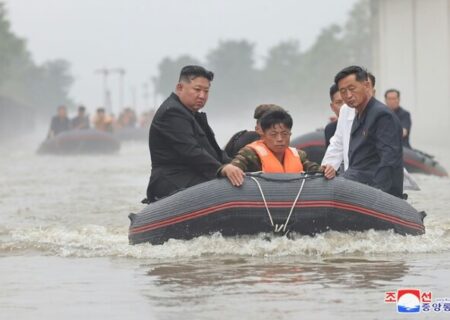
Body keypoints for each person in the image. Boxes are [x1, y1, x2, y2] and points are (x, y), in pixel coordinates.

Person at [145, 65, 229, 203]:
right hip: (171, 180)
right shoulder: (171, 112)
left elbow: (214, 152)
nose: (202, 95)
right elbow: (191, 151)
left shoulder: (193, 115)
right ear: (180, 88)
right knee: (224, 190)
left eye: (206, 91)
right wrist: (221, 169)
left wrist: (237, 166)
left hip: (192, 176)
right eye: (197, 90)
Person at [333, 66, 403, 197]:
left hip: (374, 193)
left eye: (352, 89)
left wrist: (378, 194)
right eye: (343, 91)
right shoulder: (358, 115)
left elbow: (389, 160)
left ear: (366, 85)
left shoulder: (382, 116)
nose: (348, 95)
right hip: (355, 183)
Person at [220, 110, 336, 186]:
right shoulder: (249, 153)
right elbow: (235, 168)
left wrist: (326, 169)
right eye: (273, 134)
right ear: (263, 135)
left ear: (290, 134)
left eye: (285, 134)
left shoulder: (299, 155)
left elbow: (314, 169)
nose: (280, 139)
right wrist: (227, 168)